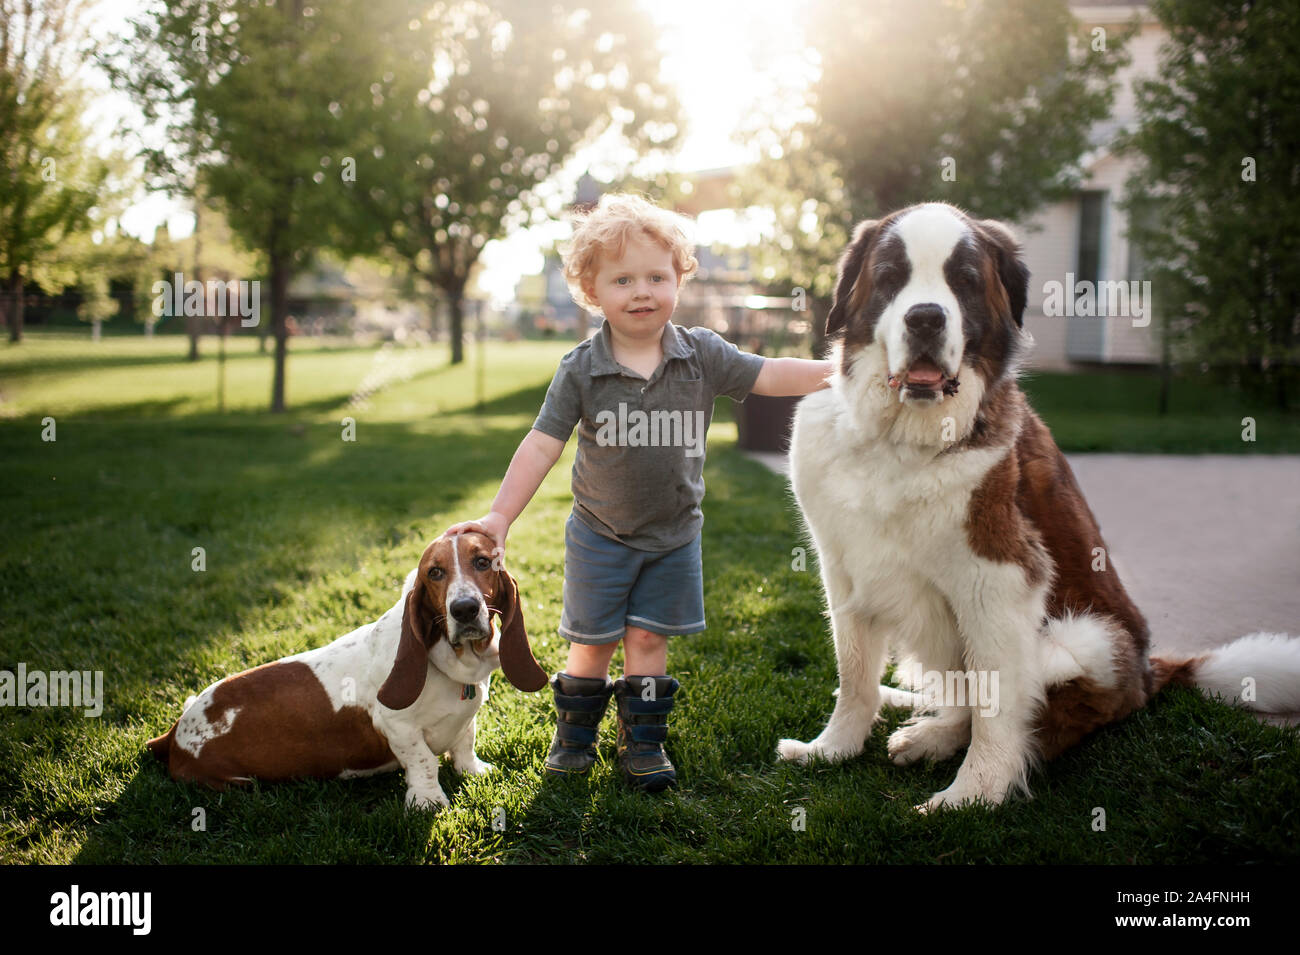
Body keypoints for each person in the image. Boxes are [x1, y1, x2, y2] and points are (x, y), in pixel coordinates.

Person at [445, 193, 832, 791]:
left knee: (650, 638)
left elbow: (770, 373)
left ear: (679, 279)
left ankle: (643, 742)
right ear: (592, 290)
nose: (642, 291)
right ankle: (574, 738)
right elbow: (543, 443)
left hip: (674, 537)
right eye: (623, 279)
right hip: (601, 535)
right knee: (592, 644)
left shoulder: (701, 354)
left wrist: (840, 373)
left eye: (658, 276)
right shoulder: (581, 368)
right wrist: (500, 515)